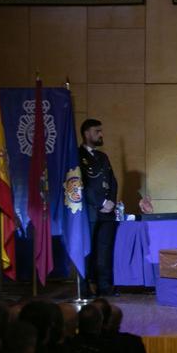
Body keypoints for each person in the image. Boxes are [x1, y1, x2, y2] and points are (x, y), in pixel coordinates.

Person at [79, 119, 118, 296]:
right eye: (97, 131)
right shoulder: (76, 156)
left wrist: (110, 202)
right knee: (87, 250)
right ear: (87, 133)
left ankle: (104, 285)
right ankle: (84, 286)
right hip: (90, 212)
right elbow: (81, 185)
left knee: (104, 250)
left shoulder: (103, 157)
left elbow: (112, 182)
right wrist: (101, 203)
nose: (101, 134)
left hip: (107, 213)